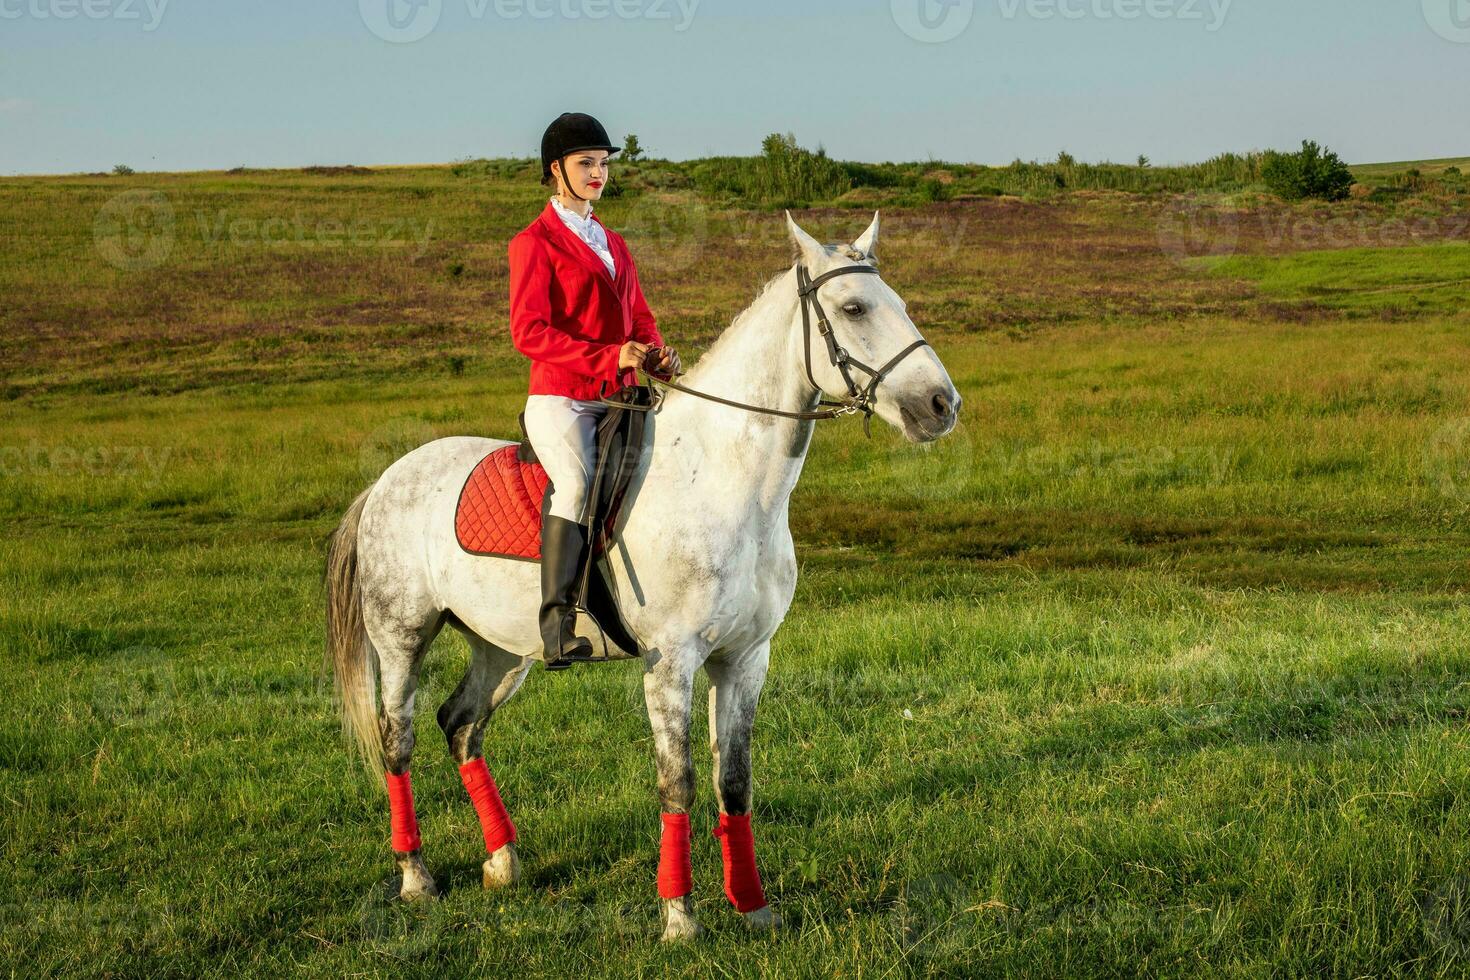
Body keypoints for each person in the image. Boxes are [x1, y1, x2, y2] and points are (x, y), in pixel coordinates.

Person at [507, 111, 682, 671]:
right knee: (578, 481)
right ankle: (558, 626)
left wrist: (655, 353)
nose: (597, 173)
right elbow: (528, 332)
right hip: (562, 397)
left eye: (603, 164)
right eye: (586, 164)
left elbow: (640, 318)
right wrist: (607, 357)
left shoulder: (613, 243)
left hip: (621, 397)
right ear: (556, 170)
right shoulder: (533, 244)